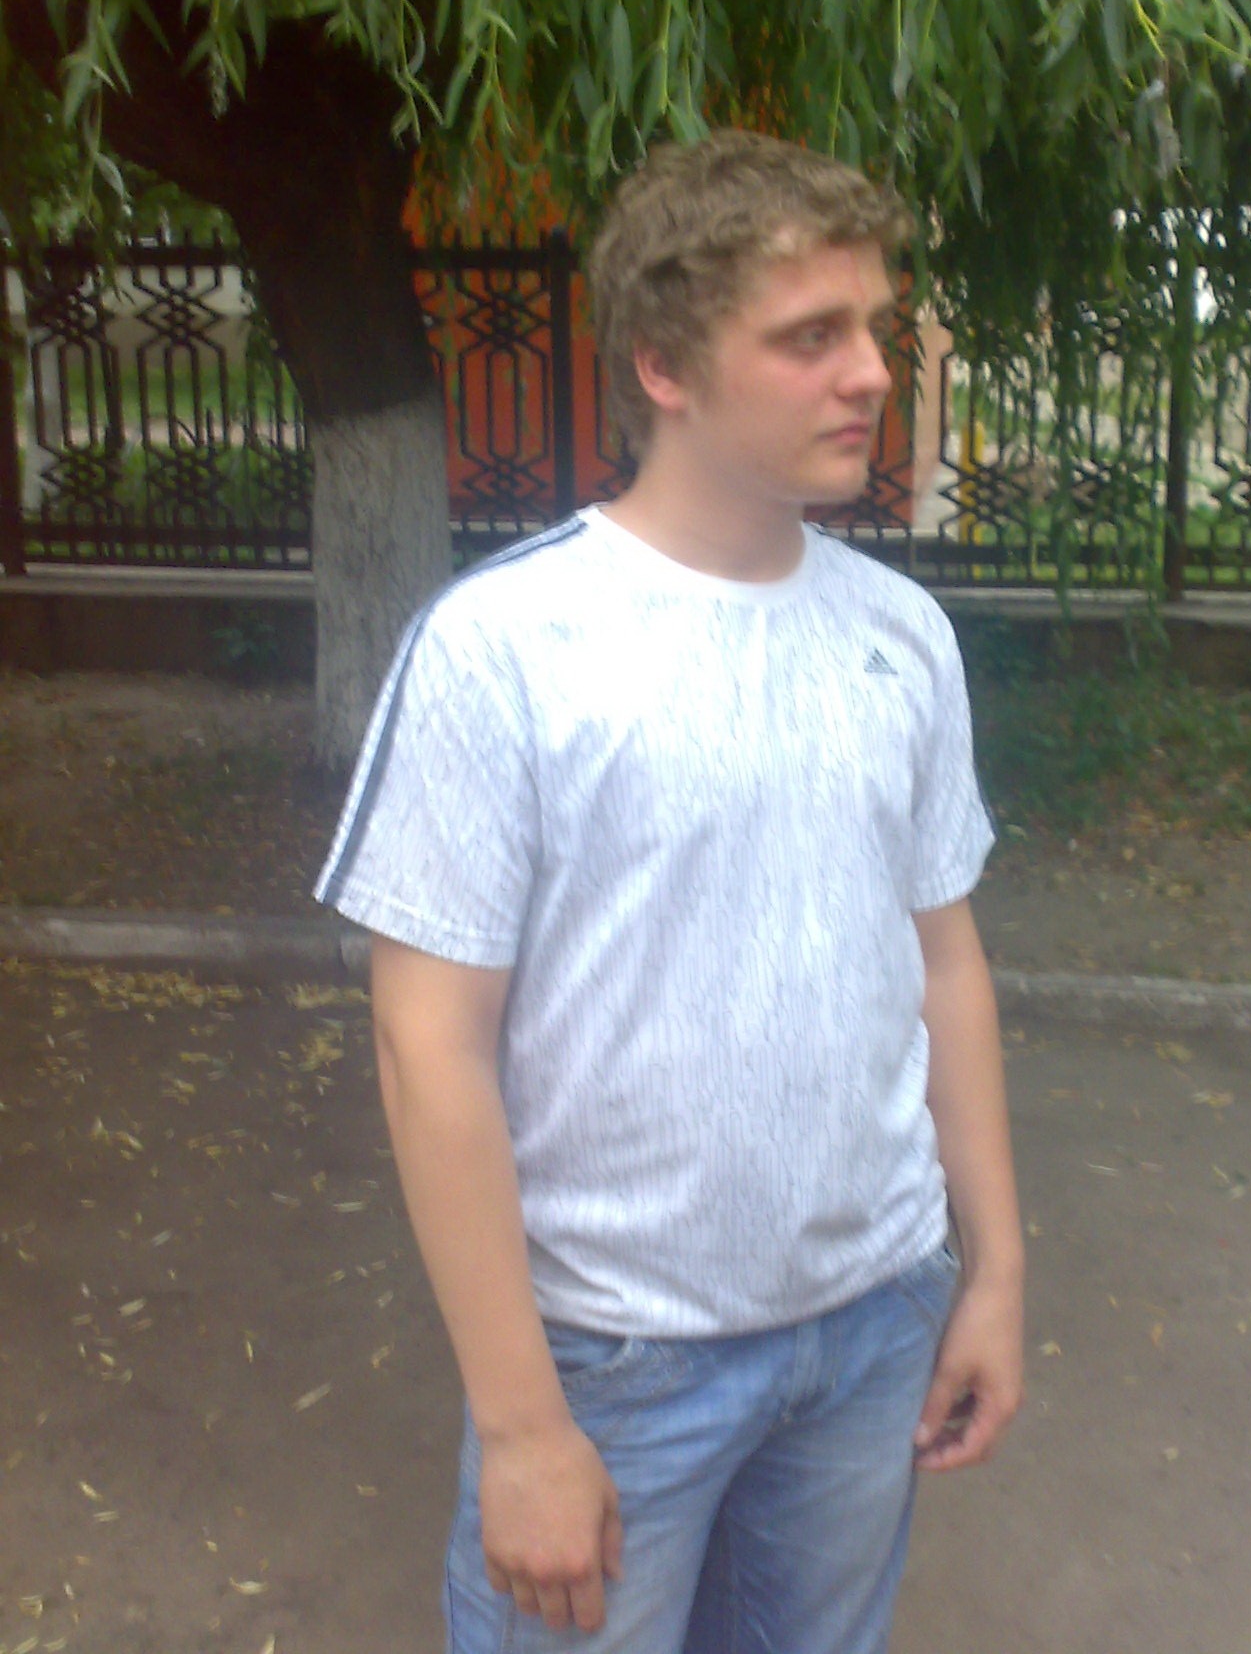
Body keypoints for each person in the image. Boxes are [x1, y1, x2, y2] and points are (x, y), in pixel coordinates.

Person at [315, 130, 1026, 1654]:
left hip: (873, 1322)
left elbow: (945, 966)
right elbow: (427, 1047)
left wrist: (995, 1272)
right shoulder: (507, 650)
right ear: (662, 365)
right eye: (811, 336)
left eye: (877, 328)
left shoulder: (901, 638)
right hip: (616, 1362)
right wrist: (522, 1426)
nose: (872, 373)